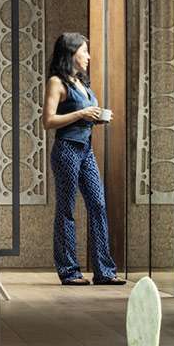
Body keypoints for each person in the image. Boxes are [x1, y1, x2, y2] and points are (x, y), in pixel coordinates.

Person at [43, 32, 123, 286]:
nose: (88, 56)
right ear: (71, 53)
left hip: (85, 150)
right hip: (66, 148)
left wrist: (95, 116)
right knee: (66, 209)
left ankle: (104, 271)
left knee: (98, 205)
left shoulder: (81, 83)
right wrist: (81, 113)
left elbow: (82, 115)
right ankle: (69, 271)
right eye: (84, 51)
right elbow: (48, 121)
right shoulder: (57, 82)